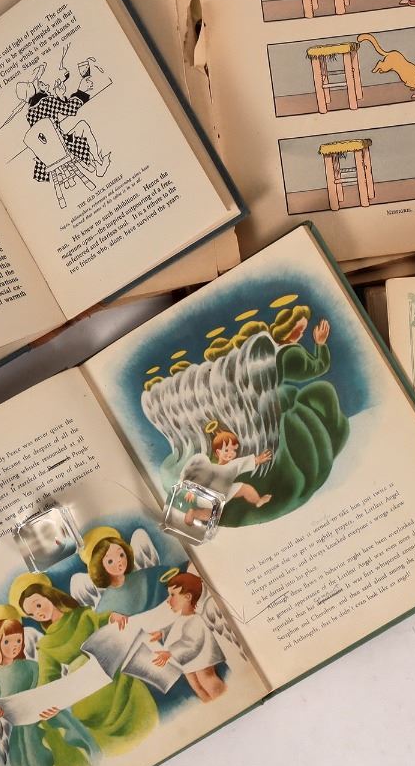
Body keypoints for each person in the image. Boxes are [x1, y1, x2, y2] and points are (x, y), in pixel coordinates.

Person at [216, 301, 352, 528]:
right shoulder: (287, 354)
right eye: (300, 328)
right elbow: (317, 367)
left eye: (303, 329)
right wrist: (320, 345)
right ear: (290, 328)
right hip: (269, 416)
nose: (301, 333)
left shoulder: (262, 357)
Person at [12, 573, 159, 756]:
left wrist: (112, 616)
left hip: (116, 680)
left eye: (38, 605)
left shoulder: (83, 615)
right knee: (119, 753)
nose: (38, 613)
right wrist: (47, 704)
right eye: (32, 614)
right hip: (87, 697)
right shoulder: (46, 645)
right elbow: (47, 679)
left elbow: (102, 620)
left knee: (149, 728)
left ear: (49, 596)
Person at [0, 607, 96, 766]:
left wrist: (56, 704)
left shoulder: (32, 666)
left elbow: (51, 686)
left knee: (73, 761)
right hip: (25, 735)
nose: (14, 646)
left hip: (52, 719)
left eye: (18, 640)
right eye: (7, 641)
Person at [147, 571, 228, 703]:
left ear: (188, 597)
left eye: (172, 595)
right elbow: (176, 628)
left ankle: (225, 700)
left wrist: (170, 653)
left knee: (207, 680)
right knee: (197, 687)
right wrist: (162, 633)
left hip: (202, 659)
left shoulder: (194, 620)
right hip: (189, 660)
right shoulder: (183, 617)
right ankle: (213, 705)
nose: (168, 600)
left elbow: (191, 643)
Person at [82, 527, 173, 616]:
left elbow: (167, 574)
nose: (119, 561)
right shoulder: (106, 603)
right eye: (110, 561)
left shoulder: (144, 575)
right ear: (100, 567)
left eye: (121, 555)